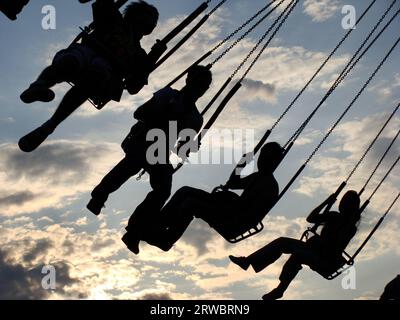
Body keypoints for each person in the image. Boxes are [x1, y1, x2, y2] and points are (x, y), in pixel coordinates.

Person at [88, 65, 212, 253]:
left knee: (162, 190)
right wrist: (160, 118)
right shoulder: (168, 95)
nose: (200, 89)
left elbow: (181, 150)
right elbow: (139, 113)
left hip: (160, 152)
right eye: (199, 84)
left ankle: (134, 231)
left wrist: (189, 147)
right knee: (131, 164)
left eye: (204, 86)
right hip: (143, 140)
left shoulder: (195, 119)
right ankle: (99, 195)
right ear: (188, 80)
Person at [18, 0, 164, 152]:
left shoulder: (139, 54)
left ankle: (48, 125)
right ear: (133, 15)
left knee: (96, 74)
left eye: (150, 22)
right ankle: (38, 87)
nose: (147, 24)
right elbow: (102, 4)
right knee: (72, 61)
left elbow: (134, 87)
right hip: (87, 51)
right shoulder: (113, 18)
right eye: (145, 18)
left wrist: (153, 57)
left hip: (104, 69)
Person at [140, 142, 283, 253]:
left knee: (191, 204)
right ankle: (157, 224)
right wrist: (241, 165)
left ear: (274, 162)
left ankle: (166, 239)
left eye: (266, 158)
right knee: (185, 191)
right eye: (261, 156)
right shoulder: (258, 176)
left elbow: (250, 212)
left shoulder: (269, 186)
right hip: (228, 209)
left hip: (234, 220)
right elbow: (232, 183)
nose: (261, 161)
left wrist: (227, 199)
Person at [229, 190, 361, 300]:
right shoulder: (334, 216)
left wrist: (319, 240)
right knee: (282, 242)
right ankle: (248, 261)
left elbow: (333, 246)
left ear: (349, 206)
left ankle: (280, 290)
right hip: (314, 249)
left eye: (345, 203)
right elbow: (311, 218)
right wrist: (327, 202)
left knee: (298, 255)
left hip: (326, 259)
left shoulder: (349, 226)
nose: (342, 204)